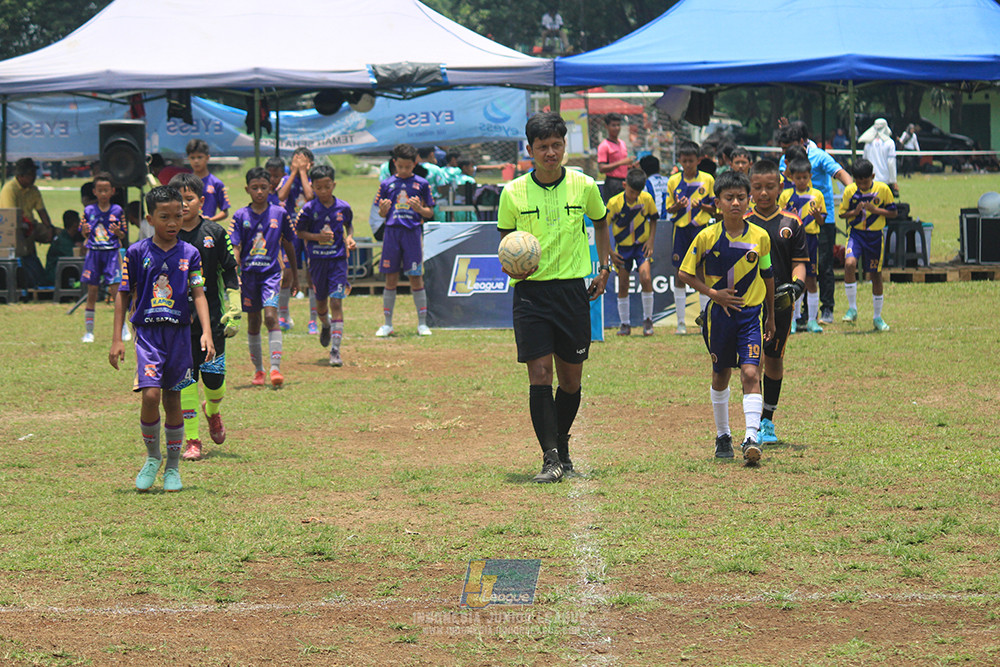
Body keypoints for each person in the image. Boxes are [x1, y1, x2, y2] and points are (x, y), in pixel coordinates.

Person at [497, 111, 611, 483]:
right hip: (531, 294)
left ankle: (561, 445)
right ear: (530, 149)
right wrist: (513, 267)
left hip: (571, 292)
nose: (550, 152)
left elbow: (601, 221)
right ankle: (550, 458)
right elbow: (504, 243)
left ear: (565, 146)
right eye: (543, 147)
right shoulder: (512, 192)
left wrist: (604, 267)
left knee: (571, 381)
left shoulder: (584, 185)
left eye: (556, 145)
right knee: (540, 375)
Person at [109, 185, 215, 493]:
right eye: (164, 217)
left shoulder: (191, 254)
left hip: (180, 336)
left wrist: (206, 332)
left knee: (172, 399)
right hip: (149, 336)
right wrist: (117, 338)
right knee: (151, 395)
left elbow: (198, 294)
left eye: (177, 216)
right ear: (149, 219)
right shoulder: (136, 252)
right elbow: (122, 294)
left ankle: (172, 467)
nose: (172, 223)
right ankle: (152, 458)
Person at [678, 170, 775, 465]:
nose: (736, 203)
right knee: (721, 374)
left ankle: (751, 437)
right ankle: (723, 435)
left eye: (741, 197)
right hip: (718, 317)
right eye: (729, 197)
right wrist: (713, 294)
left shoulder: (761, 237)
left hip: (750, 316)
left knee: (750, 373)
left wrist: (770, 316)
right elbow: (684, 273)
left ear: (749, 200)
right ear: (717, 201)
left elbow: (768, 276)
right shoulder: (706, 236)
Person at [169, 173, 241, 462]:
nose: (184, 205)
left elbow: (230, 272)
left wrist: (234, 308)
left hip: (211, 319)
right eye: (179, 199)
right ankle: (193, 440)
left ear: (201, 200)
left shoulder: (215, 233)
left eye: (190, 198)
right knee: (185, 380)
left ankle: (212, 411)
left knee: (214, 382)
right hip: (176, 320)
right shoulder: (166, 235)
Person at [746, 160, 808, 445]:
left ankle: (767, 420)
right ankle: (752, 423)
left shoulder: (791, 223)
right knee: (751, 362)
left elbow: (799, 264)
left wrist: (796, 286)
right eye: (757, 187)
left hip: (780, 306)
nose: (763, 193)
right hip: (747, 304)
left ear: (780, 187)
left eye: (769, 187)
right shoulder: (743, 222)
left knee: (773, 359)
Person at [229, 167, 299, 387]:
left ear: (271, 188)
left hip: (271, 274)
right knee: (253, 321)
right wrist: (235, 272)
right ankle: (258, 371)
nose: (259, 192)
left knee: (270, 316)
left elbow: (289, 244)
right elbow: (236, 246)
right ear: (247, 189)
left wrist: (295, 274)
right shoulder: (241, 216)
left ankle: (275, 369)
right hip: (249, 276)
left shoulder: (279, 213)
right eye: (254, 188)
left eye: (264, 187)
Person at [777, 123, 852, 324]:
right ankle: (800, 315)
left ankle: (826, 308)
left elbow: (840, 173)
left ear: (802, 142)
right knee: (795, 267)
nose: (785, 153)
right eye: (783, 150)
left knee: (823, 265)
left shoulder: (819, 156)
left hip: (821, 220)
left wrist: (854, 192)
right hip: (793, 224)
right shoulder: (786, 161)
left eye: (788, 147)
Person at [296, 164, 356, 367]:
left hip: (338, 261)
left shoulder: (343, 207)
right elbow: (300, 232)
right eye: (319, 188)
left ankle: (335, 350)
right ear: (312, 187)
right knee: (321, 305)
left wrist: (349, 238)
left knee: (336, 302)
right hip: (317, 262)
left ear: (334, 184)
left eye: (327, 187)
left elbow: (349, 225)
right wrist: (317, 237)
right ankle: (325, 324)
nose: (323, 191)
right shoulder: (308, 209)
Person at [374, 143, 435, 337]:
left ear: (415, 163)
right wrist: (383, 210)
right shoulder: (386, 184)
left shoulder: (422, 184)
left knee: (415, 277)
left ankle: (422, 324)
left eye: (408, 167)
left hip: (412, 234)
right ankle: (387, 324)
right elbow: (381, 212)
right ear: (395, 163)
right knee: (390, 278)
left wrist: (419, 209)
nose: (404, 171)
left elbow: (430, 212)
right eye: (400, 167)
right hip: (392, 233)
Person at [838, 158, 896, 331]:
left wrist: (875, 210)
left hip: (875, 237)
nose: (862, 185)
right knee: (849, 264)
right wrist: (854, 212)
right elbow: (842, 214)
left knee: (875, 274)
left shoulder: (883, 189)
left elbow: (893, 212)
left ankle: (877, 317)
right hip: (856, 234)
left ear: (873, 176)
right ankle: (852, 308)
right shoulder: (850, 191)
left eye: (866, 181)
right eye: (859, 182)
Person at [665, 140, 716, 334]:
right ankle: (680, 323)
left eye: (691, 161)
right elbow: (668, 208)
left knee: (702, 271)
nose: (687, 165)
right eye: (684, 161)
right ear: (679, 160)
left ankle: (705, 317)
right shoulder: (673, 181)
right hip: (681, 231)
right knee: (680, 273)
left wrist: (701, 206)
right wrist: (678, 206)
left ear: (698, 161)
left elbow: (715, 208)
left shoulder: (708, 180)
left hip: (700, 230)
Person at [778, 157, 827, 334]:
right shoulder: (785, 196)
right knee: (793, 279)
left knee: (811, 279)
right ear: (791, 178)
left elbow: (822, 222)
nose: (801, 181)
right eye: (798, 178)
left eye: (805, 177)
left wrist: (816, 216)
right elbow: (780, 219)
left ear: (810, 176)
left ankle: (812, 320)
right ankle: (793, 318)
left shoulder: (817, 195)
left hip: (811, 240)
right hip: (792, 241)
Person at [608, 168, 659, 336]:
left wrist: (651, 240)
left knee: (646, 277)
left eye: (637, 192)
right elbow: (602, 227)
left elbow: (653, 219)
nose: (634, 195)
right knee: (623, 284)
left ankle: (648, 320)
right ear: (624, 185)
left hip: (641, 247)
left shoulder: (646, 199)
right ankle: (625, 324)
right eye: (631, 191)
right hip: (622, 249)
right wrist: (609, 251)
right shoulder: (614, 203)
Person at [80, 173, 128, 344]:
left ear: (112, 191)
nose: (103, 193)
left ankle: (122, 328)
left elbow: (124, 233)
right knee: (92, 291)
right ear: (94, 191)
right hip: (93, 253)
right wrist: (85, 231)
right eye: (99, 190)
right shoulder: (89, 211)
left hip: (112, 254)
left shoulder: (117, 210)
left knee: (116, 291)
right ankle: (89, 332)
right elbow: (83, 231)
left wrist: (118, 233)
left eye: (106, 190)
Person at [276, 147, 314, 332]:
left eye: (303, 162)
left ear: (310, 164)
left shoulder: (314, 179)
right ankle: (284, 315)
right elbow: (281, 196)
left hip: (309, 232)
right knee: (287, 275)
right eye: (295, 161)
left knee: (312, 274)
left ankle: (314, 317)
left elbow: (309, 196)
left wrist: (303, 173)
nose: (298, 165)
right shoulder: (286, 179)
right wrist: (293, 173)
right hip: (291, 234)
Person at [0, 157, 54, 288]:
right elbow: (11, 217)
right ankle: (34, 278)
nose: (34, 177)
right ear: (21, 175)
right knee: (26, 238)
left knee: (59, 235)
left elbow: (42, 211)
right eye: (31, 175)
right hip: (14, 227)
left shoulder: (33, 189)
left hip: (31, 225)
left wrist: (49, 228)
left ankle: (53, 272)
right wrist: (28, 227)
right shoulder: (9, 189)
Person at [186, 140, 230, 224]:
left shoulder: (216, 183)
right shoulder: (185, 183)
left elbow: (224, 212)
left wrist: (210, 220)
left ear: (207, 158)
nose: (196, 161)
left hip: (207, 230)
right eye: (192, 157)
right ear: (188, 158)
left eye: (199, 157)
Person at [597, 113, 632, 202]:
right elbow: (602, 168)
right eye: (613, 125)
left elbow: (624, 165)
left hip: (624, 181)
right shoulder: (604, 146)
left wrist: (630, 166)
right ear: (606, 126)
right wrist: (622, 163)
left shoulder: (622, 144)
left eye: (618, 125)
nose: (616, 128)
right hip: (612, 183)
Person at [44, 210, 84, 286]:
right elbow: (77, 256)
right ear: (75, 224)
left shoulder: (73, 237)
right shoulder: (63, 241)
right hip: (56, 275)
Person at [860, 118, 898, 195]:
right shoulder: (890, 143)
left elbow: (864, 162)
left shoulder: (868, 143)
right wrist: (893, 181)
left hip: (870, 180)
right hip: (885, 180)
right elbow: (891, 163)